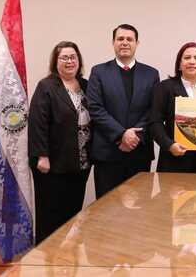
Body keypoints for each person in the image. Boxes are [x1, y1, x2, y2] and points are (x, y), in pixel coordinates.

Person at [87, 24, 160, 198]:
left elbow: (153, 110)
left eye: (129, 39)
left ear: (137, 43)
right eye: (120, 39)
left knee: (139, 212)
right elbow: (95, 108)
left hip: (139, 151)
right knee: (107, 210)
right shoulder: (98, 72)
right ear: (113, 43)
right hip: (108, 152)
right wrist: (121, 134)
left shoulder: (151, 73)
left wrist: (134, 137)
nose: (125, 42)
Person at [28, 41, 91, 244]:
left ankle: (66, 257)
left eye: (73, 57)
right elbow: (37, 123)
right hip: (52, 164)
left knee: (72, 211)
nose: (69, 61)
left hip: (80, 162)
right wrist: (42, 156)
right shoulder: (46, 86)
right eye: (64, 57)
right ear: (55, 62)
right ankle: (46, 255)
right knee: (50, 213)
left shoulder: (87, 85)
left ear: (79, 61)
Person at [150, 42, 196, 173]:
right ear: (179, 64)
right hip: (174, 158)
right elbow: (155, 122)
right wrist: (169, 145)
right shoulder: (165, 87)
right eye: (187, 58)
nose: (192, 61)